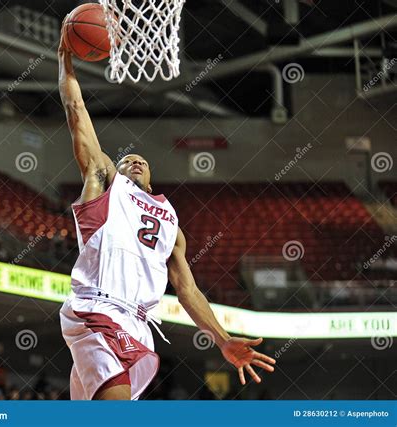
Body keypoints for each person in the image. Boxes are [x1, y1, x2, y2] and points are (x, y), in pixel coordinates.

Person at [58, 23, 276, 401]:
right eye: (126, 160)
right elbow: (76, 112)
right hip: (99, 308)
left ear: (153, 175)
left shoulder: (172, 223)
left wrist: (222, 341)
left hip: (140, 325)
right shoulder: (105, 184)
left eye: (141, 160)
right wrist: (65, 58)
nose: (135, 161)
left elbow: (187, 289)